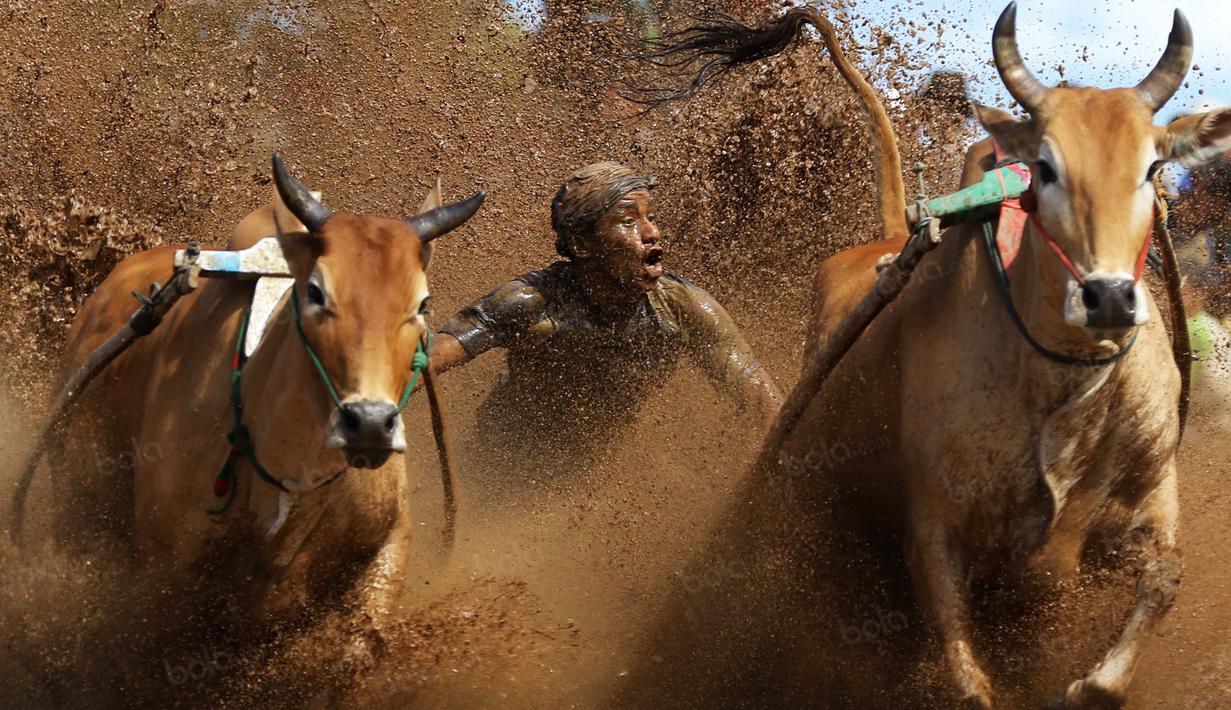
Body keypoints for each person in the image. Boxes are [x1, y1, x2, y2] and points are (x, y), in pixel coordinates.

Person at [430, 161, 783, 474]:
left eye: (650, 217)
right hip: (499, 463)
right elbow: (425, 360)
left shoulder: (682, 307)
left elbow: (758, 397)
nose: (652, 232)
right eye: (628, 221)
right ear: (581, 244)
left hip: (590, 473)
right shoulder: (533, 302)